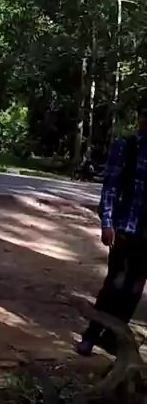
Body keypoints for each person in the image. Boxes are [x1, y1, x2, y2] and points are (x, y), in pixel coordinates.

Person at [76, 101, 147, 356]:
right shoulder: (126, 146)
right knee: (114, 286)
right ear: (140, 116)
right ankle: (91, 335)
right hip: (124, 227)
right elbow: (111, 186)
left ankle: (113, 336)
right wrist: (106, 222)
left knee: (134, 290)